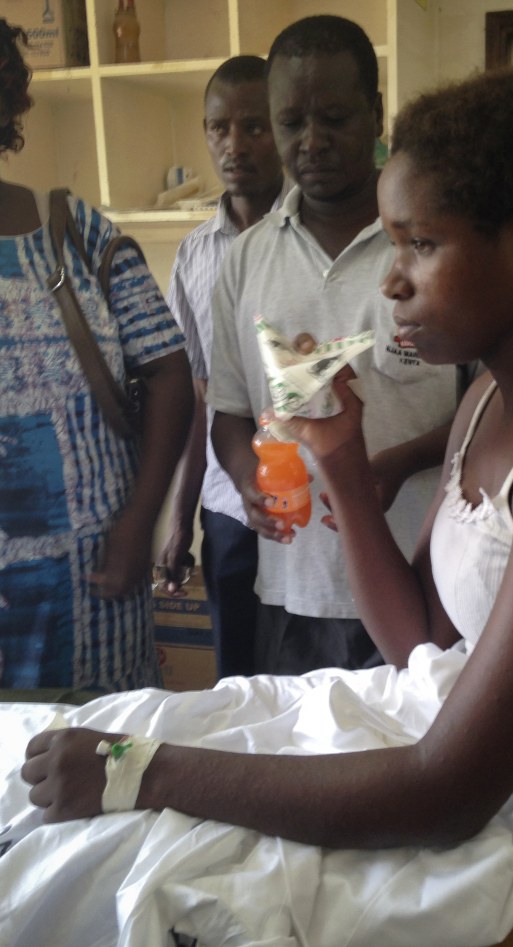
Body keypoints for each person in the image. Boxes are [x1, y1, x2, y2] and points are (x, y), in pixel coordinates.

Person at [16, 65, 513, 946]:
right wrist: (337, 462)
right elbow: (420, 646)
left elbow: (446, 794)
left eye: (418, 246)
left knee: (206, 887)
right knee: (139, 851)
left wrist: (144, 771)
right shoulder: (488, 401)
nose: (392, 283)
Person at [207, 15, 468, 674]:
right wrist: (247, 481)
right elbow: (232, 411)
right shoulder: (244, 261)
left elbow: (491, 409)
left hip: (423, 580)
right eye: (291, 122)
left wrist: (398, 462)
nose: (312, 141)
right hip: (292, 590)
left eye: (335, 118)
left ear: (376, 112)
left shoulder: (433, 247)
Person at [0, 19, 194, 692]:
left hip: (95, 592)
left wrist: (143, 521)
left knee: (105, 768)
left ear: (10, 101)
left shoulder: (76, 233)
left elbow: (170, 372)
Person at [156, 55, 288, 678]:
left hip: (315, 503)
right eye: (219, 128)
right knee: (237, 679)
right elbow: (194, 394)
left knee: (315, 682)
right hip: (227, 509)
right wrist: (180, 520)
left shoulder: (313, 235)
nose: (234, 145)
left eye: (255, 126)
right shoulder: (194, 255)